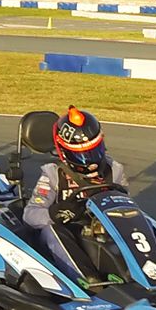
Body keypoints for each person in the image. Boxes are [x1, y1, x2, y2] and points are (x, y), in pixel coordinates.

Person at [21, 106, 128, 277]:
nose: (90, 161)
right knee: (53, 230)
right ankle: (86, 281)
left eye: (93, 150)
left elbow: (124, 206)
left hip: (100, 234)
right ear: (64, 151)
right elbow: (29, 215)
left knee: (140, 220)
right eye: (81, 154)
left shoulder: (114, 170)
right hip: (65, 235)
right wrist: (56, 213)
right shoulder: (53, 174)